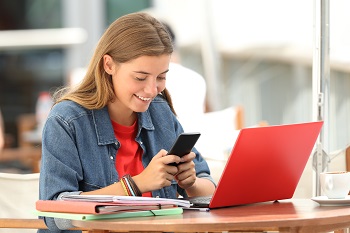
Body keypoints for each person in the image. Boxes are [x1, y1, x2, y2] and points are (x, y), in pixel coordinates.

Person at [39, 12, 216, 232]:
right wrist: (136, 184)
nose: (152, 90)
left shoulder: (160, 112)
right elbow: (55, 214)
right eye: (140, 78)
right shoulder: (67, 121)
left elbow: (209, 187)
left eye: (161, 77)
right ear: (109, 65)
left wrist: (190, 184)